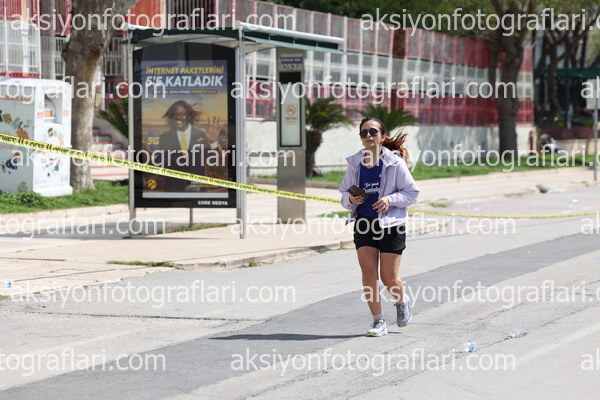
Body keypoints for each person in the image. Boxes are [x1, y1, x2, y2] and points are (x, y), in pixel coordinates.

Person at [339, 117, 420, 337]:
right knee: (368, 273)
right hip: (364, 223)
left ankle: (402, 301)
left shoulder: (395, 163)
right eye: (363, 133)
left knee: (388, 277)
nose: (368, 136)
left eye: (373, 132)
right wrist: (351, 199)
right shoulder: (355, 163)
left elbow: (411, 193)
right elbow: (344, 194)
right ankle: (378, 321)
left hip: (391, 225)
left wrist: (389, 200)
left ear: (382, 136)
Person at [157, 100, 226, 192]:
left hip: (199, 191)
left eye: (182, 114)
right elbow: (160, 165)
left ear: (189, 116)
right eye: (175, 114)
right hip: (174, 192)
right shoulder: (165, 138)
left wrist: (213, 142)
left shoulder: (203, 135)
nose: (178, 117)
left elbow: (217, 163)